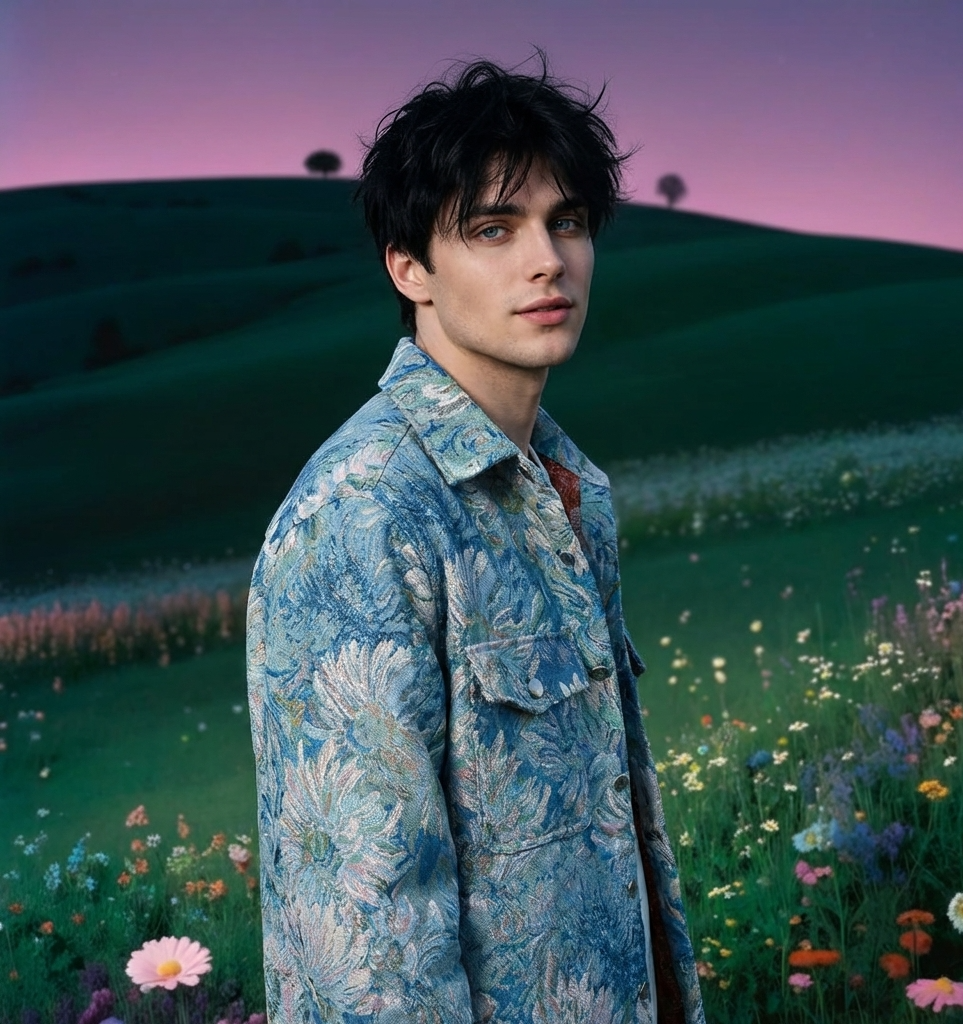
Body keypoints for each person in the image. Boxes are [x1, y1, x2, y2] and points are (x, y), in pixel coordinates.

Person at [245, 50, 705, 1024]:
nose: (548, 259)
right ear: (408, 266)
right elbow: (367, 944)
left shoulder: (568, 489)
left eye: (566, 221)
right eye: (494, 229)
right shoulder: (363, 514)